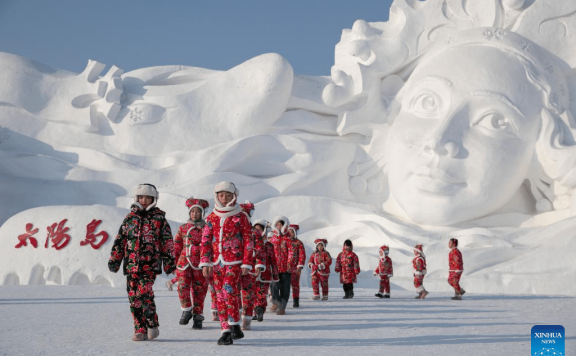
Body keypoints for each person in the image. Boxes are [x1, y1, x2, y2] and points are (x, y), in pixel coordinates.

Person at [108, 183, 176, 341]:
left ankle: (152, 323)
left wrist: (169, 263)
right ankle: (140, 328)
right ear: (136, 198)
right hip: (131, 266)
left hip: (150, 265)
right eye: (141, 197)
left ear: (154, 199)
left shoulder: (159, 219)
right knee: (133, 298)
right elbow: (120, 241)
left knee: (144, 292)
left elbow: (167, 242)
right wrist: (115, 260)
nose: (144, 200)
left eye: (148, 197)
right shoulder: (130, 218)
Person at [200, 181, 254, 346]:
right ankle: (227, 329)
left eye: (228, 195)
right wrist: (205, 262)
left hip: (235, 262)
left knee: (228, 291)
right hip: (216, 263)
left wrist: (246, 263)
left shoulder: (241, 216)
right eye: (221, 195)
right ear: (216, 196)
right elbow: (206, 240)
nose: (224, 198)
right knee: (219, 295)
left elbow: (248, 240)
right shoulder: (212, 217)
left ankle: (233, 325)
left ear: (234, 196)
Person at [173, 197, 210, 329]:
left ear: (202, 213)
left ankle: (198, 316)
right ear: (189, 213)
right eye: (193, 211)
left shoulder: (207, 228)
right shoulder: (183, 228)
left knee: (199, 291)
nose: (195, 214)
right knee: (182, 286)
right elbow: (176, 246)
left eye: (198, 212)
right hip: (184, 263)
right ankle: (186, 309)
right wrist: (173, 262)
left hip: (201, 265)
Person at [238, 201, 263, 330]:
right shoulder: (232, 229)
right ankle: (235, 318)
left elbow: (260, 250)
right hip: (233, 266)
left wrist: (259, 264)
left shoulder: (255, 233)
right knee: (233, 293)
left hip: (251, 268)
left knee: (248, 294)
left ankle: (247, 318)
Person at [251, 219, 278, 322]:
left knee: (262, 293)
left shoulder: (269, 245)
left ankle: (260, 309)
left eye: (259, 229)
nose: (257, 232)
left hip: (265, 274)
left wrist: (275, 274)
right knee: (252, 293)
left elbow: (273, 261)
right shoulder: (249, 243)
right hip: (251, 273)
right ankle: (256, 311)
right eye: (255, 229)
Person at [269, 215, 292, 315]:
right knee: (273, 286)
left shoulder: (288, 238)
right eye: (277, 224)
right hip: (274, 268)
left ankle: (282, 307)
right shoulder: (272, 238)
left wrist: (290, 263)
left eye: (280, 224)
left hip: (286, 268)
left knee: (285, 288)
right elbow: (268, 251)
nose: (278, 226)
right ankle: (276, 302)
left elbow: (292, 252)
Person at [287, 224, 306, 307]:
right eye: (289, 232)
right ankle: (284, 300)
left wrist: (300, 265)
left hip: (295, 268)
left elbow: (302, 255)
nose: (290, 234)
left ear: (295, 233)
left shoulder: (299, 243)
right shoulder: (285, 242)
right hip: (285, 268)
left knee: (295, 284)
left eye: (292, 232)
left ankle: (296, 300)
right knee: (285, 285)